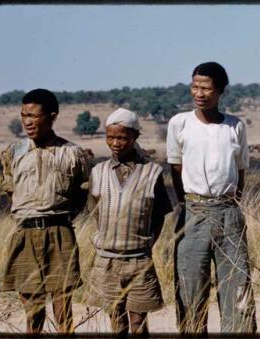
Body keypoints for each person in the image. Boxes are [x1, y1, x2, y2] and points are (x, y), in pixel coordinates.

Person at [167, 61, 257, 334]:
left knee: (237, 287)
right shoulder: (179, 123)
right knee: (190, 289)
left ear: (220, 91)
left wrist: (232, 204)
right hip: (193, 213)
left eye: (206, 88)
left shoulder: (235, 126)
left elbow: (240, 171)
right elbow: (175, 167)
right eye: (195, 86)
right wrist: (188, 204)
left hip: (230, 213)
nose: (199, 93)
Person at [0, 89, 89, 333]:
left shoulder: (72, 153)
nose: (27, 121)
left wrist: (61, 216)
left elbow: (82, 193)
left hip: (60, 233)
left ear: (52, 117)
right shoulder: (13, 153)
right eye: (23, 115)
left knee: (63, 311)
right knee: (33, 312)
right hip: (25, 235)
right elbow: (11, 191)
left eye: (34, 116)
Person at [84, 108, 172, 336]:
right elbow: (95, 210)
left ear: (134, 137)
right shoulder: (98, 171)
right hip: (107, 261)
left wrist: (148, 242)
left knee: (138, 322)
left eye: (122, 137)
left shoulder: (152, 172)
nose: (115, 143)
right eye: (110, 137)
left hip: (139, 259)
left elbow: (160, 214)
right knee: (116, 320)